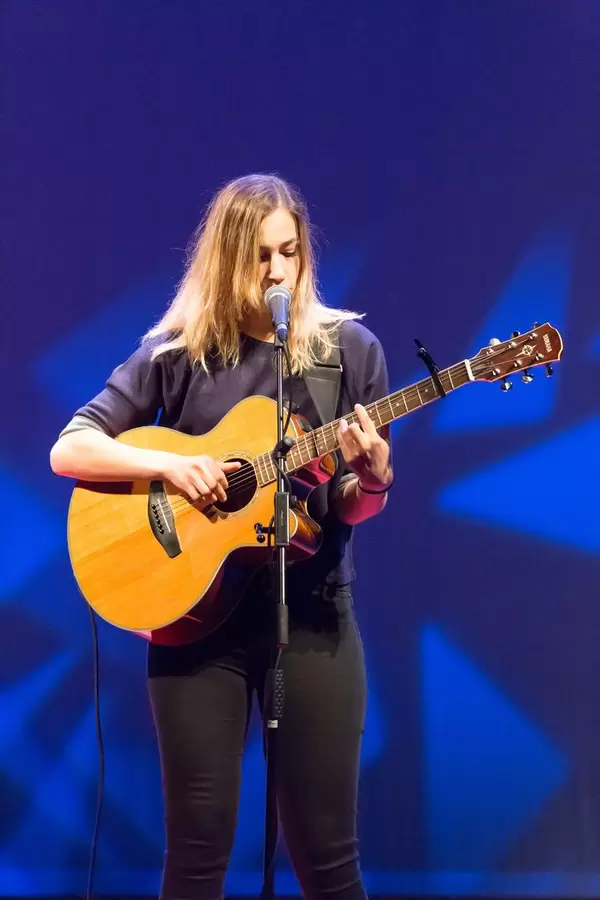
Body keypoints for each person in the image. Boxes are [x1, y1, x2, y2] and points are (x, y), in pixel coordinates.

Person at [50, 173, 393, 900]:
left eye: (289, 253)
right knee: (198, 854)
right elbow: (70, 448)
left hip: (313, 620)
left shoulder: (351, 355)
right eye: (258, 257)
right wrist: (174, 464)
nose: (276, 273)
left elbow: (348, 509)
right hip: (195, 632)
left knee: (330, 862)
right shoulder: (178, 356)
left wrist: (375, 481)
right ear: (225, 261)